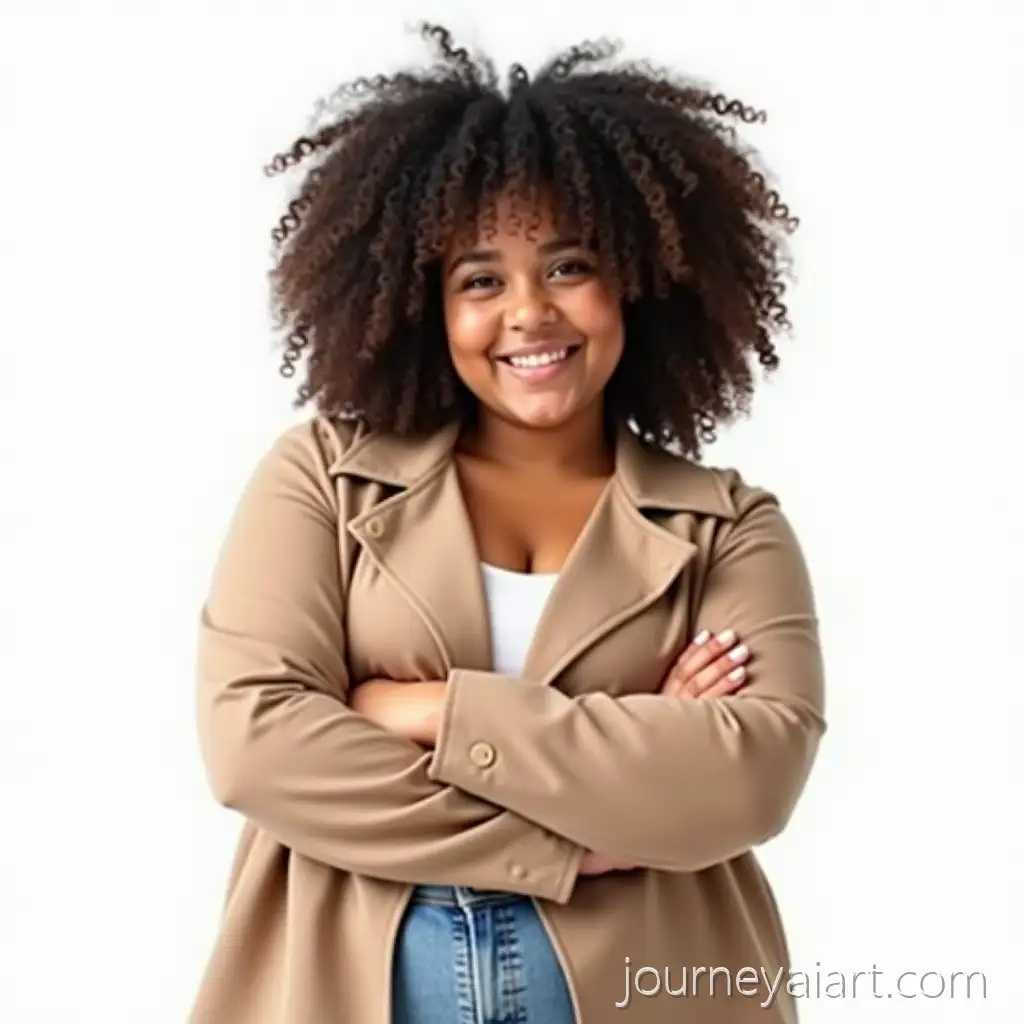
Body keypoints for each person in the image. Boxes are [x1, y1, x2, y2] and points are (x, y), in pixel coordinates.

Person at [189, 22, 825, 1024]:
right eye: (480, 279)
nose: (529, 312)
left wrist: (426, 708)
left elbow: (744, 782)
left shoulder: (729, 529)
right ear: (422, 307)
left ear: (639, 279)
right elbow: (257, 744)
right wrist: (575, 826)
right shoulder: (323, 479)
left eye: (569, 266)